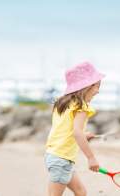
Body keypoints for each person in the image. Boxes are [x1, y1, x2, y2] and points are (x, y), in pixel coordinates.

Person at [44, 61, 105, 196]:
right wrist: (91, 158)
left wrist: (83, 135)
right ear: (87, 86)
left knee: (81, 192)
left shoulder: (62, 103)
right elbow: (76, 132)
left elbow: (65, 129)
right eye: (97, 86)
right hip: (61, 158)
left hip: (54, 155)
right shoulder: (81, 106)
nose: (98, 90)